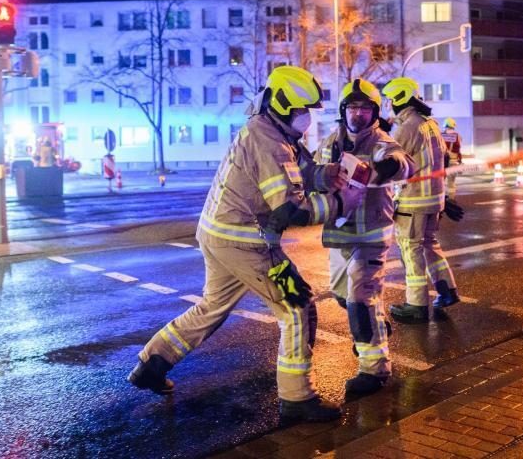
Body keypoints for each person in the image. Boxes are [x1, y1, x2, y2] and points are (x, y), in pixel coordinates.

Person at [128, 66, 365, 424]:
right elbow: (291, 209)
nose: (308, 118)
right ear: (284, 106)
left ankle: (151, 364)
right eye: (304, 110)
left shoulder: (269, 129)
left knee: (211, 308)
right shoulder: (268, 140)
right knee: (298, 308)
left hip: (219, 235)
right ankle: (297, 398)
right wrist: (342, 203)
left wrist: (324, 175)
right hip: (247, 242)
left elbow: (298, 170)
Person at [315, 79, 414, 397]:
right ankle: (378, 326)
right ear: (344, 110)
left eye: (365, 108)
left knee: (360, 300)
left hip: (370, 236)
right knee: (343, 297)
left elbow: (404, 163)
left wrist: (388, 167)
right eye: (353, 107)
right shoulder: (332, 141)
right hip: (340, 234)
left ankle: (374, 369)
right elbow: (316, 171)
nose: (358, 114)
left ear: (375, 113)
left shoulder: (382, 141)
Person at [381, 77, 464, 324]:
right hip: (433, 200)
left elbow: (389, 157)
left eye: (389, 100)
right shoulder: (430, 124)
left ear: (398, 99)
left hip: (413, 201)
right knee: (429, 246)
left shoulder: (408, 126)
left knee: (411, 250)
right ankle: (447, 290)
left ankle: (416, 304)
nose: (388, 105)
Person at [440, 117, 462, 197]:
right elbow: (458, 149)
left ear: (445, 125)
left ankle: (441, 201)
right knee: (451, 182)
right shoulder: (457, 136)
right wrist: (460, 161)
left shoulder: (440, 135)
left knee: (440, 182)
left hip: (441, 162)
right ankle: (451, 199)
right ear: (453, 125)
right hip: (453, 161)